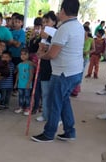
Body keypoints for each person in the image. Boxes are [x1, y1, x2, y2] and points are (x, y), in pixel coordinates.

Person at [31, 0, 84, 142]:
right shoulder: (78, 26)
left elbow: (53, 54)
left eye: (60, 10)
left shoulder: (64, 28)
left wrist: (42, 55)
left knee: (55, 103)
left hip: (63, 73)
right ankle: (69, 131)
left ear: (63, 11)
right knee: (64, 101)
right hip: (75, 71)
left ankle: (49, 133)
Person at [36, 11, 58, 122]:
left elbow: (57, 46)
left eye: (47, 21)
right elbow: (41, 49)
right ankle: (45, 114)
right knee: (45, 93)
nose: (45, 24)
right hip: (44, 66)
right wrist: (40, 49)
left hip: (54, 68)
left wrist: (48, 38)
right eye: (43, 22)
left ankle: (55, 117)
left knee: (54, 94)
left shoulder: (57, 33)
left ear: (54, 22)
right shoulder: (43, 33)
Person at [14, 48, 33, 115]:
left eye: (25, 54)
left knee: (27, 96)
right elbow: (18, 74)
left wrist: (29, 83)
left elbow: (31, 74)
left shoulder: (30, 64)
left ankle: (28, 108)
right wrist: (16, 83)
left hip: (27, 84)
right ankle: (21, 107)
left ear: (28, 55)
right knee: (20, 96)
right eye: (21, 54)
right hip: (20, 84)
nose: (23, 56)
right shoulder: (19, 65)